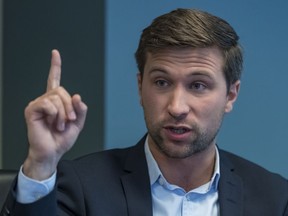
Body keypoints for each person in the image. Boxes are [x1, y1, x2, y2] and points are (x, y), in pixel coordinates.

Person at [1, 8, 288, 216]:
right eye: (161, 82)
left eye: (198, 85)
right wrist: (40, 164)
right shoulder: (81, 187)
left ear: (231, 95)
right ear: (140, 87)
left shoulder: (275, 198)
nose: (176, 107)